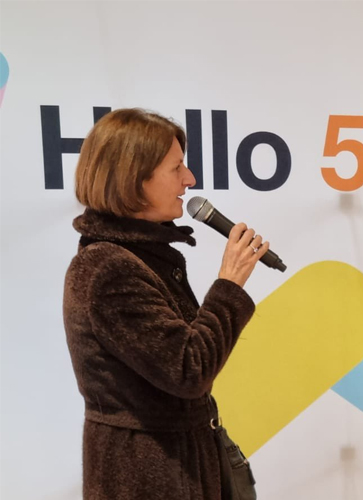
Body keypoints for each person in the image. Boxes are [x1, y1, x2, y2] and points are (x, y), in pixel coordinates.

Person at [62, 108, 268, 499]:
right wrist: (229, 284)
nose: (189, 179)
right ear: (133, 180)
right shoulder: (107, 268)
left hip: (174, 466)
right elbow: (189, 370)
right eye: (176, 168)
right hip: (144, 477)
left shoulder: (141, 258)